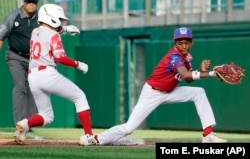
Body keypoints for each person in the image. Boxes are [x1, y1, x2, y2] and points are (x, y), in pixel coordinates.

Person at [80, 27, 227, 145]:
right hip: (153, 93)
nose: (183, 45)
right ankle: (96, 139)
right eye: (180, 42)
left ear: (191, 42)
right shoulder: (175, 57)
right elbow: (187, 75)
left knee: (198, 93)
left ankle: (208, 134)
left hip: (170, 91)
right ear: (174, 43)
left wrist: (200, 71)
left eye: (186, 42)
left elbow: (188, 79)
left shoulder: (185, 58)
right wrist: (212, 74)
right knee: (129, 127)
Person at [13, 3, 94, 145]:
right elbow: (61, 58)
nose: (61, 21)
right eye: (59, 18)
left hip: (33, 76)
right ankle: (88, 136)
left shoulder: (35, 32)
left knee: (47, 116)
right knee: (80, 97)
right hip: (47, 74)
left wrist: (66, 29)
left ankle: (25, 124)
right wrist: (79, 64)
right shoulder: (54, 35)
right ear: (52, 18)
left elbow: (48, 30)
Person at [0, 0, 80, 125]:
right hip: (15, 56)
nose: (31, 4)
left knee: (34, 88)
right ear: (23, 2)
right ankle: (19, 122)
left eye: (34, 2)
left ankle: (28, 124)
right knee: (20, 86)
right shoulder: (13, 17)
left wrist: (65, 29)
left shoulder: (40, 18)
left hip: (33, 59)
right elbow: (1, 36)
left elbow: (52, 27)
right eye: (29, 1)